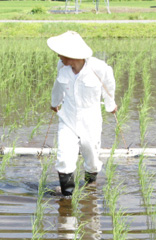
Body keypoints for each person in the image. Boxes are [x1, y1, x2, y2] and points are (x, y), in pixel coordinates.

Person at [47, 31, 117, 196]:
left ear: (71, 55)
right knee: (64, 156)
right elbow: (58, 87)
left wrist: (110, 104)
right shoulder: (62, 67)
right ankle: (67, 196)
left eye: (61, 53)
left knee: (91, 154)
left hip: (90, 118)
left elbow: (109, 86)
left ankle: (91, 184)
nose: (58, 56)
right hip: (68, 118)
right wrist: (54, 103)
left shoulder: (99, 68)